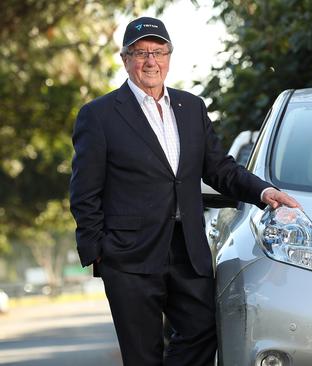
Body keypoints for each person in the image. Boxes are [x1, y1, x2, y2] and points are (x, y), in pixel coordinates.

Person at [69, 16, 300, 366]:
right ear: (125, 59)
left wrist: (264, 192)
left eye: (158, 52)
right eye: (141, 52)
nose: (151, 61)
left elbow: (220, 168)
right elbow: (84, 191)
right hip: (129, 257)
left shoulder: (191, 107)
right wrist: (99, 252)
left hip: (187, 250)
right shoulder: (98, 115)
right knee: (142, 355)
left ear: (169, 56)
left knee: (203, 331)